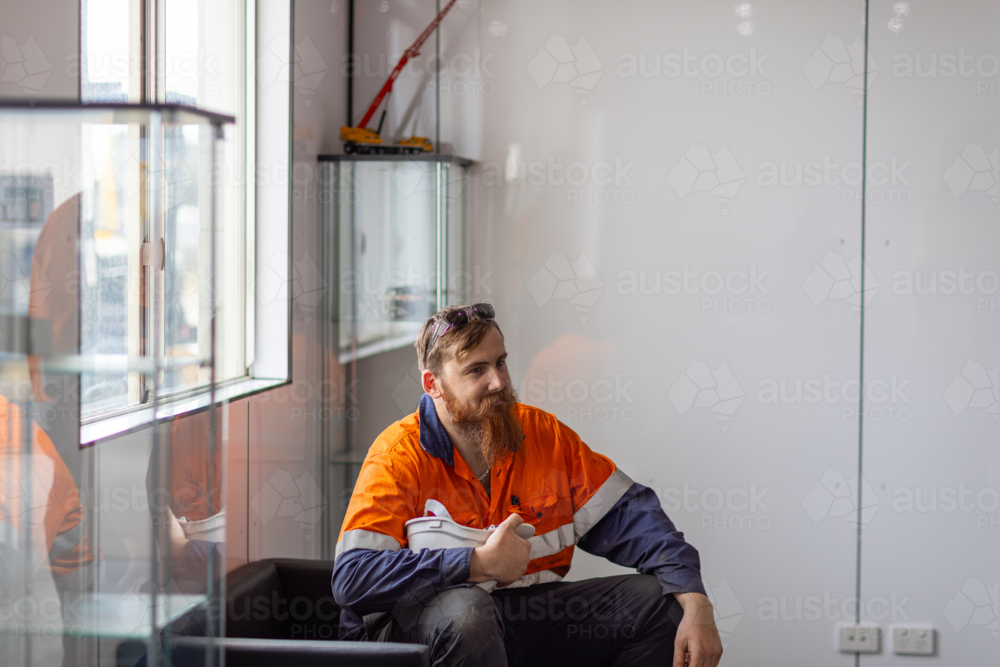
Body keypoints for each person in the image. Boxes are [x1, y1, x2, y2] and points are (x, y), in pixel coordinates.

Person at [331, 304, 723, 667]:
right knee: (468, 614)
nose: (498, 382)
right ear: (433, 384)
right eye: (476, 370)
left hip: (517, 615)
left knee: (661, 603)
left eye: (500, 362)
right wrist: (477, 563)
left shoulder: (543, 435)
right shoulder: (397, 456)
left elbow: (633, 517)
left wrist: (696, 602)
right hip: (416, 630)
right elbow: (352, 580)